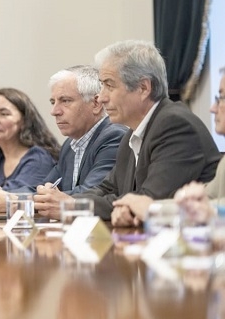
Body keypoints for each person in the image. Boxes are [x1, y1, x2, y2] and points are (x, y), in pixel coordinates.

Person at [37, 40, 220, 222]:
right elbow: (107, 189)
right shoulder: (131, 135)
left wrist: (72, 206)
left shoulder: (175, 126)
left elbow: (147, 201)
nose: (101, 97)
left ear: (143, 88)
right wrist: (68, 202)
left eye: (109, 85)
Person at [112, 65, 225, 225]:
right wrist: (144, 207)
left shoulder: (174, 124)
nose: (213, 108)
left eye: (221, 98)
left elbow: (211, 208)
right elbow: (208, 201)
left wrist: (150, 209)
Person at [32, 65, 127, 219]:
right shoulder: (70, 145)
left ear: (96, 104)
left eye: (65, 101)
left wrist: (17, 201)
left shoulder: (113, 136)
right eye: (53, 102)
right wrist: (5, 196)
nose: (54, 111)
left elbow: (92, 192)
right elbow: (43, 189)